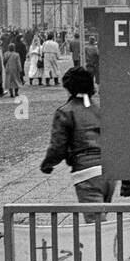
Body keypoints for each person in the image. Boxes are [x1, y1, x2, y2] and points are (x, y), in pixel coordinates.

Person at [39, 66, 115, 203]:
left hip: (86, 171)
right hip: (109, 171)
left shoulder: (65, 112)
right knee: (102, 219)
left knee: (95, 222)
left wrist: (48, 163)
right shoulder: (100, 109)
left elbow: (58, 145)